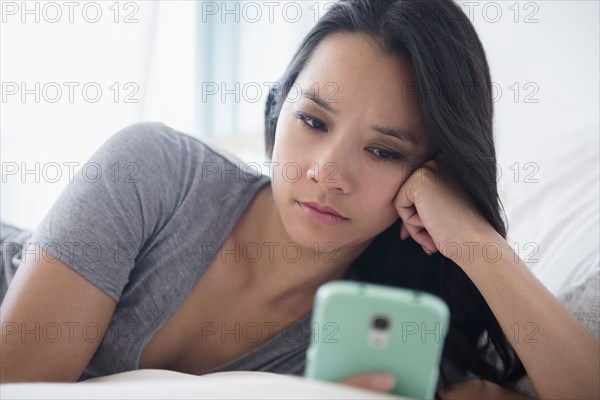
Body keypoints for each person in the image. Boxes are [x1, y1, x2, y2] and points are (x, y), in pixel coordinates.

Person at [1, 0, 598, 398]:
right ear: (277, 107)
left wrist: (474, 241)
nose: (326, 172)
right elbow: (20, 382)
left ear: (431, 177)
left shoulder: (394, 333)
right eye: (313, 120)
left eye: (384, 151)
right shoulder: (151, 169)